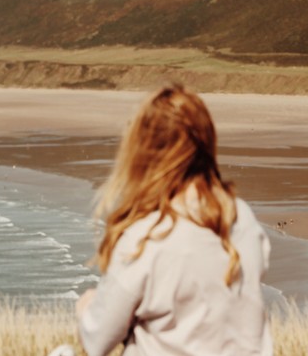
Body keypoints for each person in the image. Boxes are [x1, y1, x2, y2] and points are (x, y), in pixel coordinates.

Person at [76, 84, 272, 356]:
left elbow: (98, 340)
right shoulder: (241, 217)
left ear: (144, 152)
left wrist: (86, 307)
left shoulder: (146, 237)